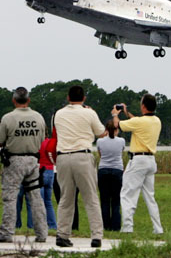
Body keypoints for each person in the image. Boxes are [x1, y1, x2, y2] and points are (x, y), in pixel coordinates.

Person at [0, 87, 48, 243]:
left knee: (10, 197)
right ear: (28, 100)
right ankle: (42, 233)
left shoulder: (8, 118)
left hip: (14, 160)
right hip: (33, 160)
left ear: (13, 100)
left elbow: (0, 140)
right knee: (36, 197)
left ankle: (7, 232)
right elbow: (43, 139)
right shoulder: (38, 117)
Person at [54, 85, 105, 248]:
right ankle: (96, 236)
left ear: (68, 98)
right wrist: (90, 112)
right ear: (84, 98)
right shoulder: (89, 113)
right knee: (90, 197)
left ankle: (62, 234)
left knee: (65, 199)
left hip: (62, 157)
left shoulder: (59, 114)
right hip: (82, 155)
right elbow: (101, 132)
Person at [112, 94, 164, 234]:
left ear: (143, 106)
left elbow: (118, 124)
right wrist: (126, 111)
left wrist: (115, 114)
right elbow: (136, 121)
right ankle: (158, 228)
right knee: (150, 196)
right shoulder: (156, 121)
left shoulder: (139, 122)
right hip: (150, 160)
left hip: (138, 160)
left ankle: (127, 228)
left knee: (127, 194)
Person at [97, 120, 125, 231]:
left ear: (106, 130)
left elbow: (100, 154)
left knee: (104, 200)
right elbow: (121, 152)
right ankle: (116, 226)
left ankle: (105, 225)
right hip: (117, 169)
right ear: (116, 130)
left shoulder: (100, 141)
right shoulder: (121, 141)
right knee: (116, 200)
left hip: (103, 169)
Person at [38, 137, 57, 230]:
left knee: (40, 202)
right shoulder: (50, 142)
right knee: (48, 201)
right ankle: (52, 225)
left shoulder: (38, 142)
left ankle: (41, 225)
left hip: (41, 170)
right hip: (50, 171)